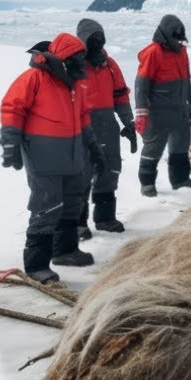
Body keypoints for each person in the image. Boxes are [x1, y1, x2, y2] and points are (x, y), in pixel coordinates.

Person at [0, 33, 106, 283]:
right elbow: (12, 108)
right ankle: (36, 266)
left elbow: (83, 117)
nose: (82, 63)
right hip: (41, 155)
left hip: (71, 156)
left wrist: (93, 147)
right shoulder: (34, 78)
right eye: (78, 58)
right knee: (47, 206)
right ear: (64, 58)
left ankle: (65, 251)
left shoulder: (75, 84)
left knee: (72, 203)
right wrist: (10, 145)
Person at [75, 18, 137, 238]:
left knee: (109, 171)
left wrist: (128, 122)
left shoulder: (109, 65)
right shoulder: (72, 65)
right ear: (82, 40)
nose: (98, 42)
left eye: (100, 38)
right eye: (93, 38)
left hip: (108, 127)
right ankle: (78, 223)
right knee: (80, 174)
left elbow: (120, 95)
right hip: (81, 127)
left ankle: (105, 218)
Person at [135, 14, 191, 195]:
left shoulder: (182, 52)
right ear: (165, 33)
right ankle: (147, 183)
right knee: (153, 148)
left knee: (180, 146)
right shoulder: (153, 52)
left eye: (180, 35)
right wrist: (141, 113)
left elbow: (186, 80)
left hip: (180, 110)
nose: (178, 39)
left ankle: (180, 180)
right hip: (158, 111)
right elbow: (141, 84)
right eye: (175, 34)